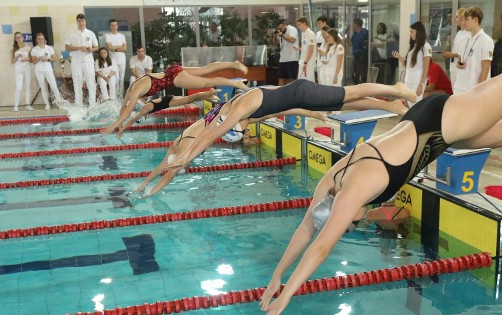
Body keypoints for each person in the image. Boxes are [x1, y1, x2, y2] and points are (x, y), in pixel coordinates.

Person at [258, 18, 502, 315]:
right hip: (427, 123)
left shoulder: (353, 192)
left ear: (347, 212)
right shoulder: (331, 180)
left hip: (443, 123)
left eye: (354, 221)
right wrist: (277, 276)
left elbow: (319, 247)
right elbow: (307, 228)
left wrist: (287, 293)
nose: (362, 220)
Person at [166, 80, 416, 175]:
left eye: (240, 134)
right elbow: (284, 106)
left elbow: (209, 134)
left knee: (350, 93)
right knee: (347, 102)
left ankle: (394, 89)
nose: (246, 134)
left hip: (302, 91)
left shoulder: (241, 111)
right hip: (301, 96)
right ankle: (392, 106)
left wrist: (185, 156)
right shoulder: (251, 114)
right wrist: (314, 115)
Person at [135, 104, 328, 196]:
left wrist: (145, 186)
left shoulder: (185, 141)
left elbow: (166, 168)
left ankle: (309, 109)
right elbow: (168, 173)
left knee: (272, 110)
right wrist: (150, 192)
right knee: (173, 167)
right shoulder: (189, 145)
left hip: (199, 132)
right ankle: (309, 109)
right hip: (206, 132)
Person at [101, 61, 249, 135]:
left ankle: (237, 83)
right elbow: (124, 108)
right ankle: (234, 64)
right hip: (171, 69)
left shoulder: (135, 91)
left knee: (207, 82)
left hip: (173, 78)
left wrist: (113, 126)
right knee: (204, 70)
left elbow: (127, 112)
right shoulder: (131, 88)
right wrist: (121, 127)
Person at [115, 89, 219, 136]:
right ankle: (208, 96)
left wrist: (122, 129)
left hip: (168, 101)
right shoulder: (146, 107)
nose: (146, 117)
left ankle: (209, 93)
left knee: (191, 98)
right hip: (168, 100)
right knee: (190, 99)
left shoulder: (145, 108)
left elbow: (132, 119)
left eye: (144, 118)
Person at [452, 7, 494, 95]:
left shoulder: (486, 40)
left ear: (475, 20)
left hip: (474, 89)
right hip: (459, 87)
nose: (463, 23)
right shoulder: (464, 39)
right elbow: (459, 61)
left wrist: (478, 90)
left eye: (466, 20)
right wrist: (459, 65)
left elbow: (485, 69)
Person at [393, 21, 432, 106]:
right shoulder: (413, 47)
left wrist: (421, 85)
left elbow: (426, 68)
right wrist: (399, 57)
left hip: (417, 81)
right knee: (410, 106)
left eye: (412, 32)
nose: (410, 34)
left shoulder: (426, 46)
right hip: (409, 80)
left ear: (418, 32)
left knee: (416, 106)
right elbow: (407, 66)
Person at [65, 13, 99, 108]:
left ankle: (92, 105)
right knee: (77, 83)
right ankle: (79, 106)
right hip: (76, 61)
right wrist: (80, 48)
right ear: (77, 22)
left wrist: (91, 49)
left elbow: (96, 47)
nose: (81, 23)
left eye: (82, 21)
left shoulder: (90, 33)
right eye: (79, 21)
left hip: (88, 60)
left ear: (85, 21)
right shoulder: (71, 33)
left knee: (91, 82)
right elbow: (67, 47)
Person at [30, 32, 63, 111]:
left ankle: (60, 103)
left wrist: (48, 59)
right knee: (43, 87)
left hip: (48, 70)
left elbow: (55, 59)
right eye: (39, 39)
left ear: (44, 39)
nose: (41, 40)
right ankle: (47, 104)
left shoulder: (49, 48)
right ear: (36, 40)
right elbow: (33, 62)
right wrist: (39, 58)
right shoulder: (34, 50)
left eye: (42, 39)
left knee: (54, 87)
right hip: (39, 71)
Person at [440, 8, 468, 89]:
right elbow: (456, 50)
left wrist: (451, 54)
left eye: (457, 17)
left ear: (462, 18)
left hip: (460, 67)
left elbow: (464, 54)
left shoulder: (468, 34)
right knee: (454, 90)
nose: (455, 19)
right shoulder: (459, 33)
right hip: (453, 66)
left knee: (459, 91)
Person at [11, 32, 33, 112]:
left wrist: (27, 59)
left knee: (27, 86)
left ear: (22, 38)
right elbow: (12, 61)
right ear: (15, 39)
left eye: (20, 37)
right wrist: (16, 57)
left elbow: (32, 60)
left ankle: (28, 105)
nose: (19, 38)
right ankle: (16, 105)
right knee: (19, 87)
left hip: (27, 68)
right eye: (17, 37)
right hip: (18, 69)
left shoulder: (28, 47)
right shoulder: (13, 48)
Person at [105, 19, 127, 93]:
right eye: (112, 25)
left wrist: (115, 49)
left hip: (122, 59)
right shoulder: (107, 35)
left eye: (115, 25)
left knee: (121, 79)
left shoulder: (122, 36)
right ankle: (115, 96)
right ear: (110, 26)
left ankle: (121, 96)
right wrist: (120, 46)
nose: (114, 27)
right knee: (116, 78)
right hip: (113, 59)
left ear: (117, 26)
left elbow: (125, 48)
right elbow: (110, 47)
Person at [275, 19, 300, 86]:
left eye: (281, 28)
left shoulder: (292, 29)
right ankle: (281, 94)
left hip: (292, 58)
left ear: (284, 24)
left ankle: (292, 93)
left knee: (292, 78)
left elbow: (292, 40)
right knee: (281, 77)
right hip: (283, 58)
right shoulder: (280, 32)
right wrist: (275, 36)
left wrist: (282, 35)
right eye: (279, 28)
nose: (280, 29)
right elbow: (277, 45)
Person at [296, 17, 316, 82]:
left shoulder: (310, 33)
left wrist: (305, 62)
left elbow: (311, 50)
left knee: (309, 82)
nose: (298, 27)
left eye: (299, 25)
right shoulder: (303, 34)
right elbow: (305, 48)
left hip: (308, 63)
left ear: (304, 23)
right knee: (300, 82)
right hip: (302, 61)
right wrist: (298, 48)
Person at [350, 18, 369, 84]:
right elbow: (350, 44)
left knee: (363, 73)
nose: (352, 25)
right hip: (356, 56)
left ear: (356, 24)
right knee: (355, 73)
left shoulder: (365, 33)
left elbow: (367, 45)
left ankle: (364, 87)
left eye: (353, 24)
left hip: (363, 57)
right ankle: (356, 86)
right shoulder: (355, 34)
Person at [315, 16, 329, 83]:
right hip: (319, 61)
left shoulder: (330, 33)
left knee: (326, 82)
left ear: (325, 22)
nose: (318, 25)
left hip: (327, 62)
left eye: (320, 23)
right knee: (320, 81)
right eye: (317, 23)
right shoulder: (317, 34)